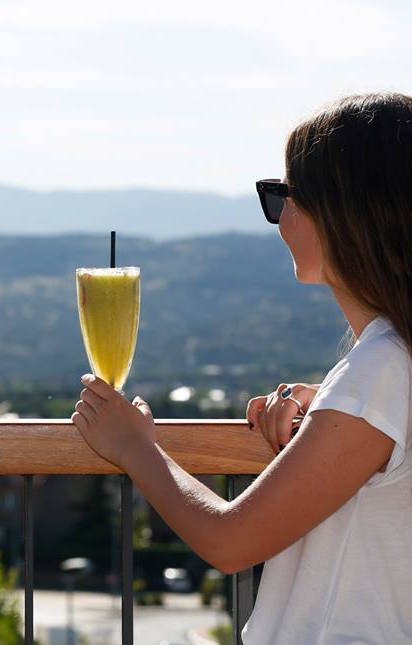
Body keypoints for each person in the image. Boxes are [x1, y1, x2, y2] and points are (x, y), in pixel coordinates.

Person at [72, 93, 412, 643]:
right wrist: (327, 405)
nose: (279, 218)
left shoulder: (381, 368)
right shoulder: (386, 365)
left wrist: (134, 446)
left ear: (344, 213)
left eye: (284, 196)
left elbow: (230, 541)